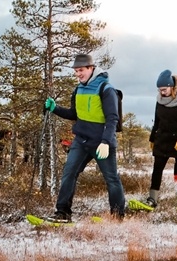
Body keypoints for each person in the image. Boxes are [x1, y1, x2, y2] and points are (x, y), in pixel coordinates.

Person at [44, 53, 126, 221]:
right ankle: (62, 212)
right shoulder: (78, 89)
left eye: (81, 70)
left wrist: (105, 142)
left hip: (101, 142)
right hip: (81, 140)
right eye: (76, 71)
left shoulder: (105, 89)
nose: (78, 74)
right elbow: (74, 114)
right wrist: (55, 109)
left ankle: (118, 216)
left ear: (91, 68)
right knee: (69, 172)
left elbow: (112, 119)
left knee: (111, 178)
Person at [146, 69, 177, 208]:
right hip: (163, 138)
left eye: (164, 89)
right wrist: (152, 138)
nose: (162, 92)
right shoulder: (160, 100)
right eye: (160, 90)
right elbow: (157, 121)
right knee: (157, 168)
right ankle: (152, 199)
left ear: (172, 86)